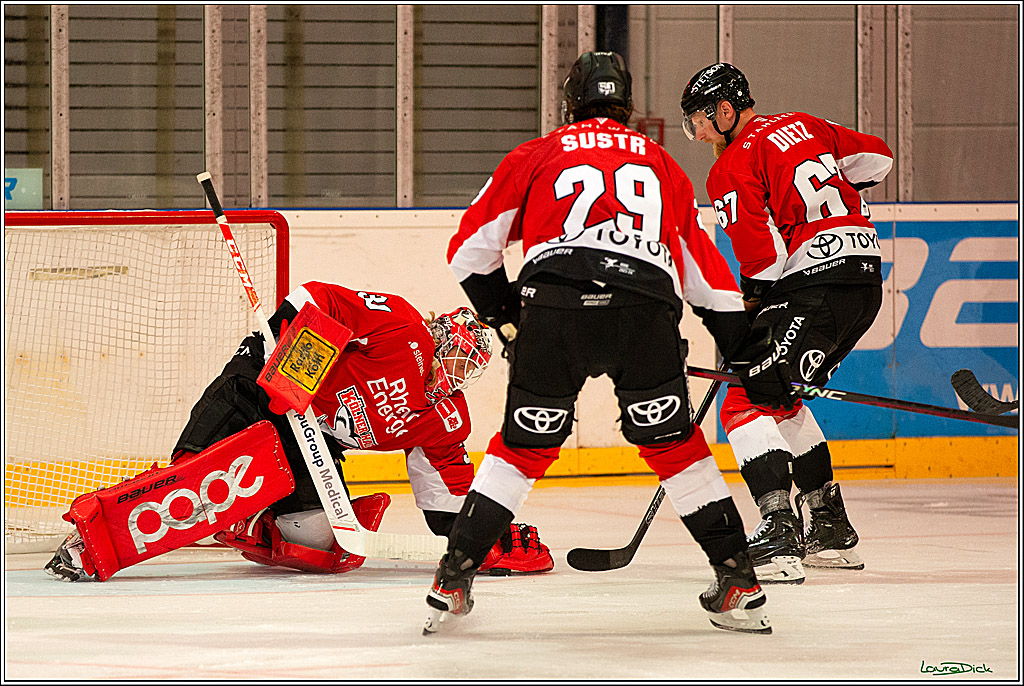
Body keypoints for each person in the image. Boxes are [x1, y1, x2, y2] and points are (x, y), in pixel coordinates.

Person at [425, 51, 771, 635]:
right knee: (676, 448)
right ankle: (737, 578)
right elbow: (707, 280)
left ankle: (453, 578)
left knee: (521, 450)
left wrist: (509, 318)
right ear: (627, 107)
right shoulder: (661, 162)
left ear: (570, 104)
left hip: (554, 312)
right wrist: (747, 354)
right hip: (642, 313)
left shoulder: (536, 155)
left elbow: (468, 252)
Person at [44, 281, 553, 582]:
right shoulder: (400, 324)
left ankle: (247, 521)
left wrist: (481, 537)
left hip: (311, 443)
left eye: (463, 370)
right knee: (196, 479)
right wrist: (295, 369)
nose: (450, 373)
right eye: (450, 356)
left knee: (319, 545)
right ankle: (88, 540)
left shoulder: (445, 420)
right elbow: (318, 298)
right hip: (260, 387)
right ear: (437, 335)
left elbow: (443, 498)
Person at [679, 63, 894, 582]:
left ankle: (778, 532)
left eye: (701, 121)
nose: (699, 133)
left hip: (815, 280)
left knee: (742, 398)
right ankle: (829, 527)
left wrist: (752, 310)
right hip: (864, 281)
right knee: (782, 394)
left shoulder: (732, 163)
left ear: (726, 110)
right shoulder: (807, 123)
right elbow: (879, 159)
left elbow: (760, 260)